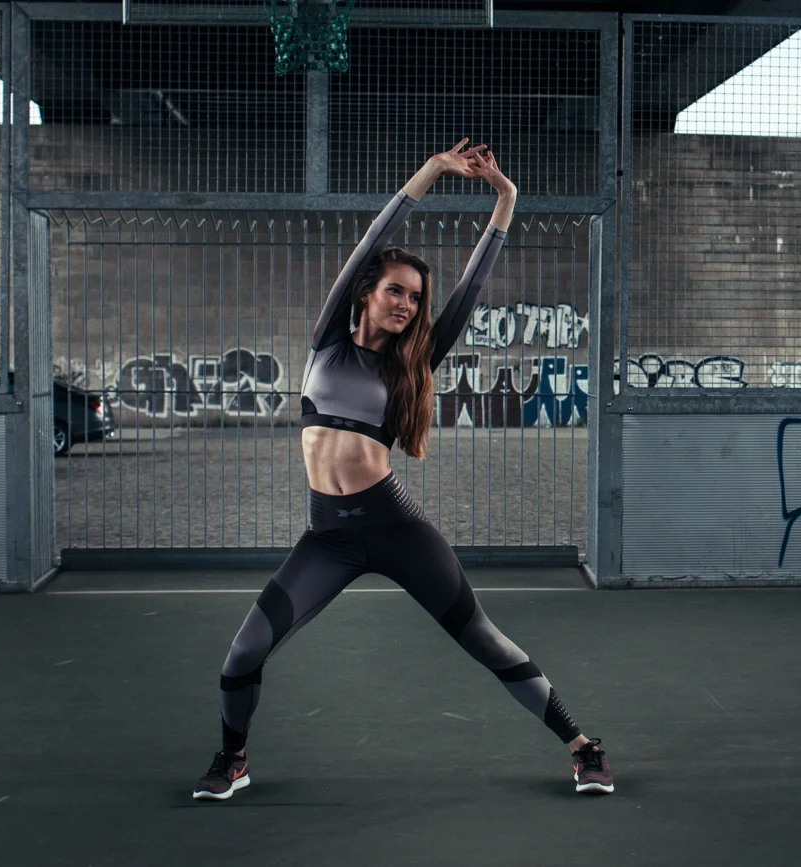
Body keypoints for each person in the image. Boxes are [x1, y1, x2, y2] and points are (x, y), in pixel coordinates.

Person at [192, 140, 613, 800]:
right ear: (367, 292)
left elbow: (473, 283)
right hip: (326, 538)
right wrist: (437, 171)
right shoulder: (329, 339)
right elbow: (378, 231)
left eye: (416, 298)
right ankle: (233, 757)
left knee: (487, 642)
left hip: (395, 527)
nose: (407, 305)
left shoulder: (411, 366)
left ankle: (584, 745)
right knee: (243, 653)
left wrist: (506, 197)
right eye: (396, 291)